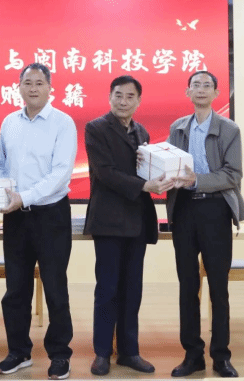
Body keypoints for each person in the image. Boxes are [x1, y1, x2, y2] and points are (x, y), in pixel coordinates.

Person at [83, 75, 173, 376]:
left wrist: (162, 178)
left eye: (130, 96)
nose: (123, 101)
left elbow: (146, 169)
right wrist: (145, 185)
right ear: (110, 97)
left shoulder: (141, 131)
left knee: (132, 289)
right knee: (107, 289)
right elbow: (104, 172)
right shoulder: (96, 128)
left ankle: (129, 351)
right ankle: (102, 353)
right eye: (118, 95)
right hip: (109, 221)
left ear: (138, 100)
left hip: (137, 221)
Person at [0, 63, 77, 380]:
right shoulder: (9, 122)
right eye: (27, 82)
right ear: (18, 87)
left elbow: (61, 174)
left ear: (50, 88)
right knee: (15, 288)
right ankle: (18, 351)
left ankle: (60, 354)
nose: (32, 88)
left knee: (55, 287)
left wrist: (24, 197)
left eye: (39, 83)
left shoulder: (63, 123)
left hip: (51, 215)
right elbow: (1, 164)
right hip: (16, 217)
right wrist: (3, 189)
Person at [166, 71, 244, 378]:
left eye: (207, 86)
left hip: (215, 210)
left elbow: (233, 174)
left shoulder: (229, 129)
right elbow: (170, 165)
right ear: (187, 92)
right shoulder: (177, 127)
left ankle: (221, 356)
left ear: (216, 93)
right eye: (195, 85)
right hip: (184, 210)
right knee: (188, 286)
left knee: (218, 287)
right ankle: (192, 355)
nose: (201, 90)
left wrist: (196, 180)